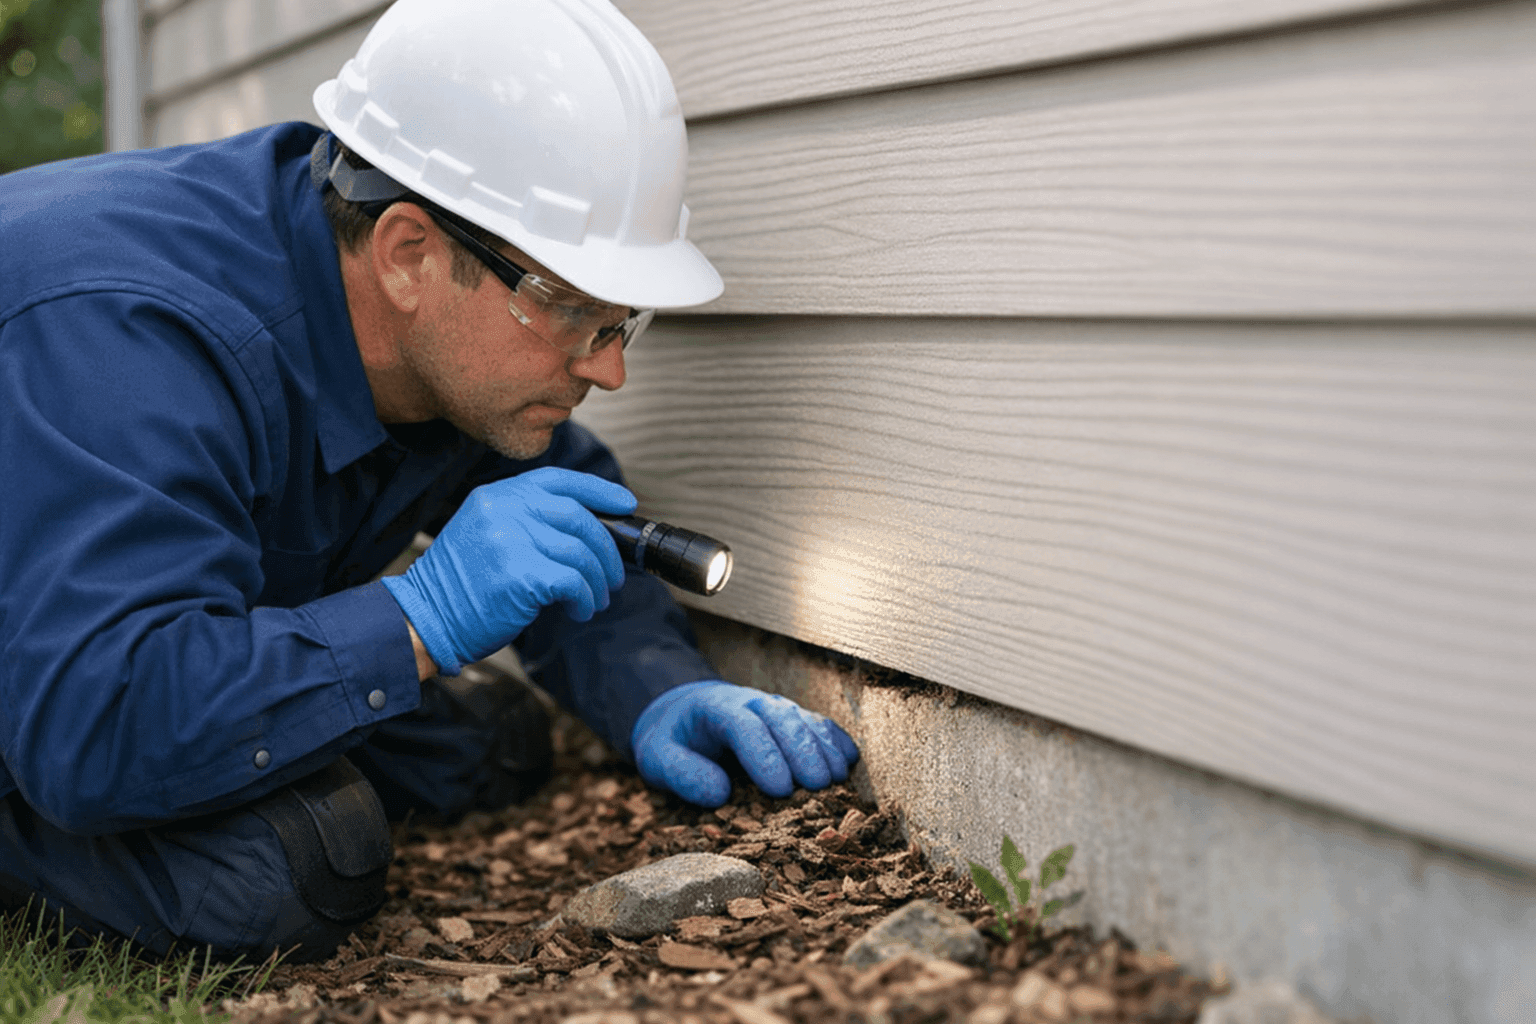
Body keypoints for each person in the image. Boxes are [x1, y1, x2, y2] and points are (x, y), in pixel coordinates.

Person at [0, 0, 858, 962]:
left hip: (108, 643)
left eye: (621, 322)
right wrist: (416, 621)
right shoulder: (133, 342)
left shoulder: (400, 312)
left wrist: (656, 689)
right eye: (573, 310)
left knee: (485, 750)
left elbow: (561, 517)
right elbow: (97, 713)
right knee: (292, 863)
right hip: (65, 685)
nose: (609, 369)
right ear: (410, 253)